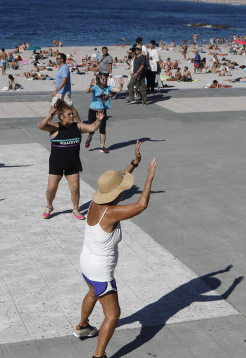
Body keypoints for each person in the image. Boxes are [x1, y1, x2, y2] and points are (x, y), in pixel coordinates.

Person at [74, 141, 157, 358]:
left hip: (86, 262)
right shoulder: (111, 212)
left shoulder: (94, 204)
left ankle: (82, 326)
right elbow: (141, 205)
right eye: (122, 190)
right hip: (101, 270)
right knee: (113, 314)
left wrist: (134, 163)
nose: (124, 191)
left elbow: (117, 177)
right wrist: (149, 176)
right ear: (115, 194)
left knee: (92, 292)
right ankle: (98, 355)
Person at [38, 99, 104, 220]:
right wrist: (49, 116)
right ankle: (49, 206)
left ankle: (76, 209)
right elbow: (41, 126)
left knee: (75, 189)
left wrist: (98, 120)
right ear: (62, 116)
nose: (72, 116)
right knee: (51, 188)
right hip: (56, 164)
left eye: (72, 113)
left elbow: (91, 128)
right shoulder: (55, 127)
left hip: (72, 164)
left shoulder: (77, 127)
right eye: (69, 114)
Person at [85, 73, 113, 153]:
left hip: (102, 111)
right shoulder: (95, 87)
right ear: (98, 80)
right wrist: (90, 85)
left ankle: (102, 146)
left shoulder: (107, 88)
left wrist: (121, 85)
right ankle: (89, 139)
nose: (104, 80)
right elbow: (87, 91)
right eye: (102, 79)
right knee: (92, 129)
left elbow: (117, 90)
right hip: (93, 111)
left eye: (105, 79)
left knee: (102, 129)